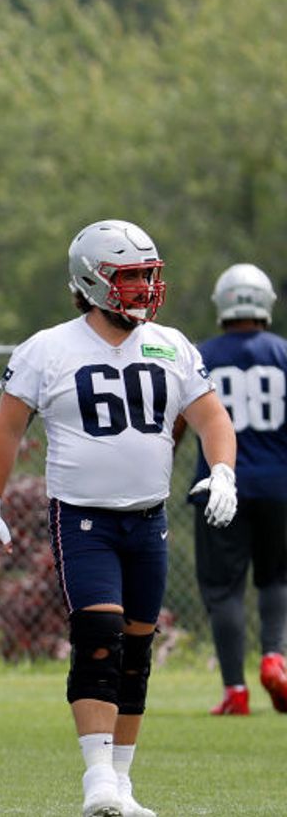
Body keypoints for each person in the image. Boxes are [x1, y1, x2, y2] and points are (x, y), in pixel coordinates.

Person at [0, 219, 236, 817]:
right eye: (130, 276)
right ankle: (96, 777)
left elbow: (214, 419)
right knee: (99, 638)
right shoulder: (47, 349)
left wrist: (222, 470)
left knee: (137, 652)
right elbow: (5, 432)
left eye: (148, 275)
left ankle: (122, 781)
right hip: (83, 519)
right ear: (92, 281)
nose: (144, 288)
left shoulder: (172, 345)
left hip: (148, 520)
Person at [177, 263, 287, 716]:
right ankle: (275, 657)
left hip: (221, 485)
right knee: (277, 579)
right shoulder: (283, 353)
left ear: (222, 304)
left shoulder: (201, 355)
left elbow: (179, 422)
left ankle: (234, 691)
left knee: (223, 589)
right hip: (280, 487)